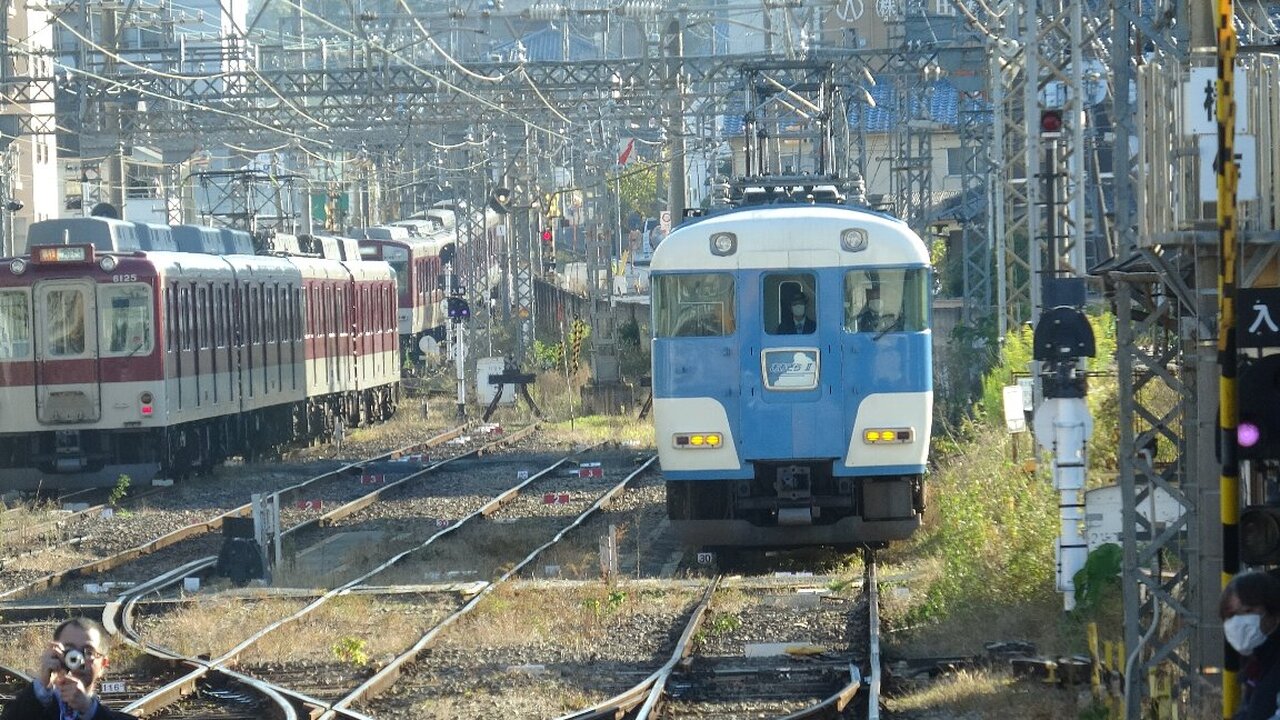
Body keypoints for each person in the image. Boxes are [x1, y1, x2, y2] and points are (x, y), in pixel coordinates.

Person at [1, 617, 137, 719]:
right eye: (69, 650)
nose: (77, 658)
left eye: (88, 652)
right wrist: (41, 687)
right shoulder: (23, 710)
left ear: (103, 664)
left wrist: (89, 710)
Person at [1220, 571, 1280, 720]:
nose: (1238, 623)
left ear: (1274, 614)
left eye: (1248, 611)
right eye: (1232, 615)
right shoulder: (1257, 663)